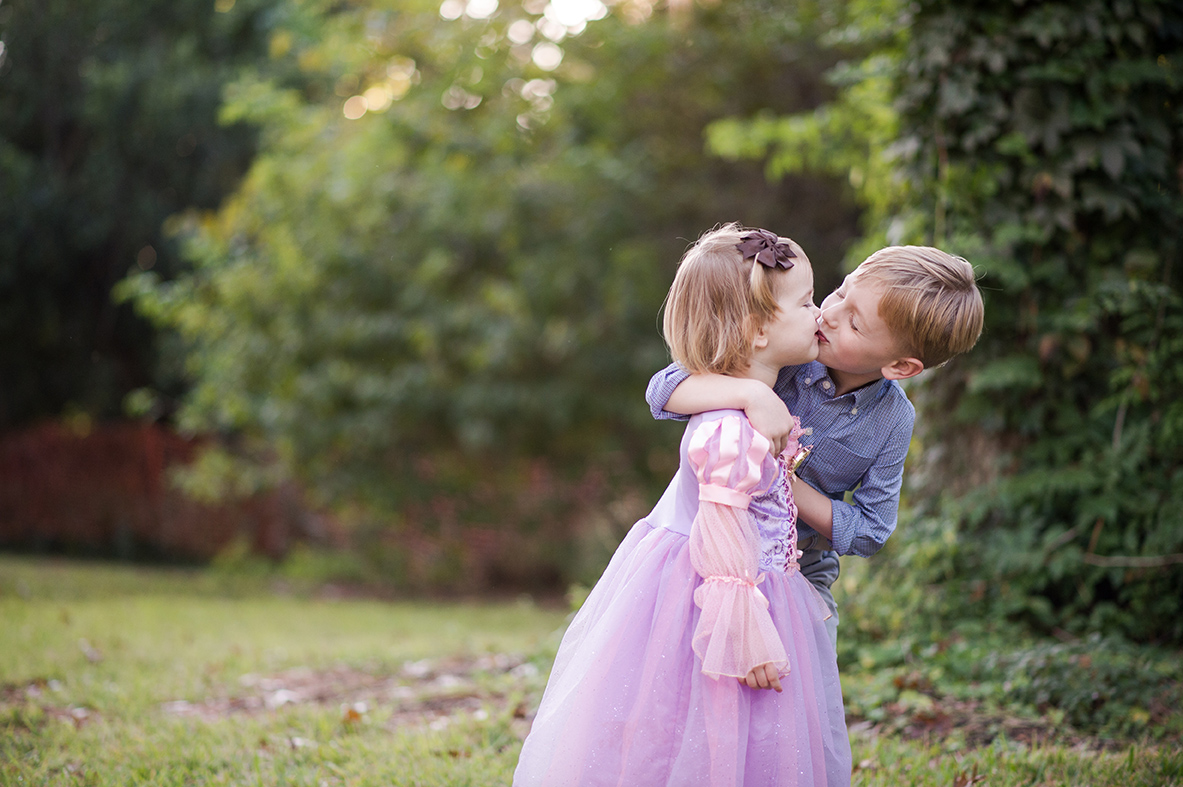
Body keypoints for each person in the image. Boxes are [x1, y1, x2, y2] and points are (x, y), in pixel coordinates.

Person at [514, 224, 851, 787]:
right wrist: (748, 633)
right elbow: (722, 535)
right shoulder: (730, 430)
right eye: (806, 302)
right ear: (758, 329)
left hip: (757, 585)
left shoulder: (752, 399)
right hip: (718, 595)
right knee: (698, 718)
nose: (818, 313)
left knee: (749, 730)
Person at [645, 245, 985, 647]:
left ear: (900, 367)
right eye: (841, 292)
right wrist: (754, 394)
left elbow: (870, 530)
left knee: (802, 679)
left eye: (855, 324)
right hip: (715, 543)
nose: (829, 314)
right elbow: (663, 390)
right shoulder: (788, 350)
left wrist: (782, 483)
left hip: (801, 566)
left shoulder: (893, 421)